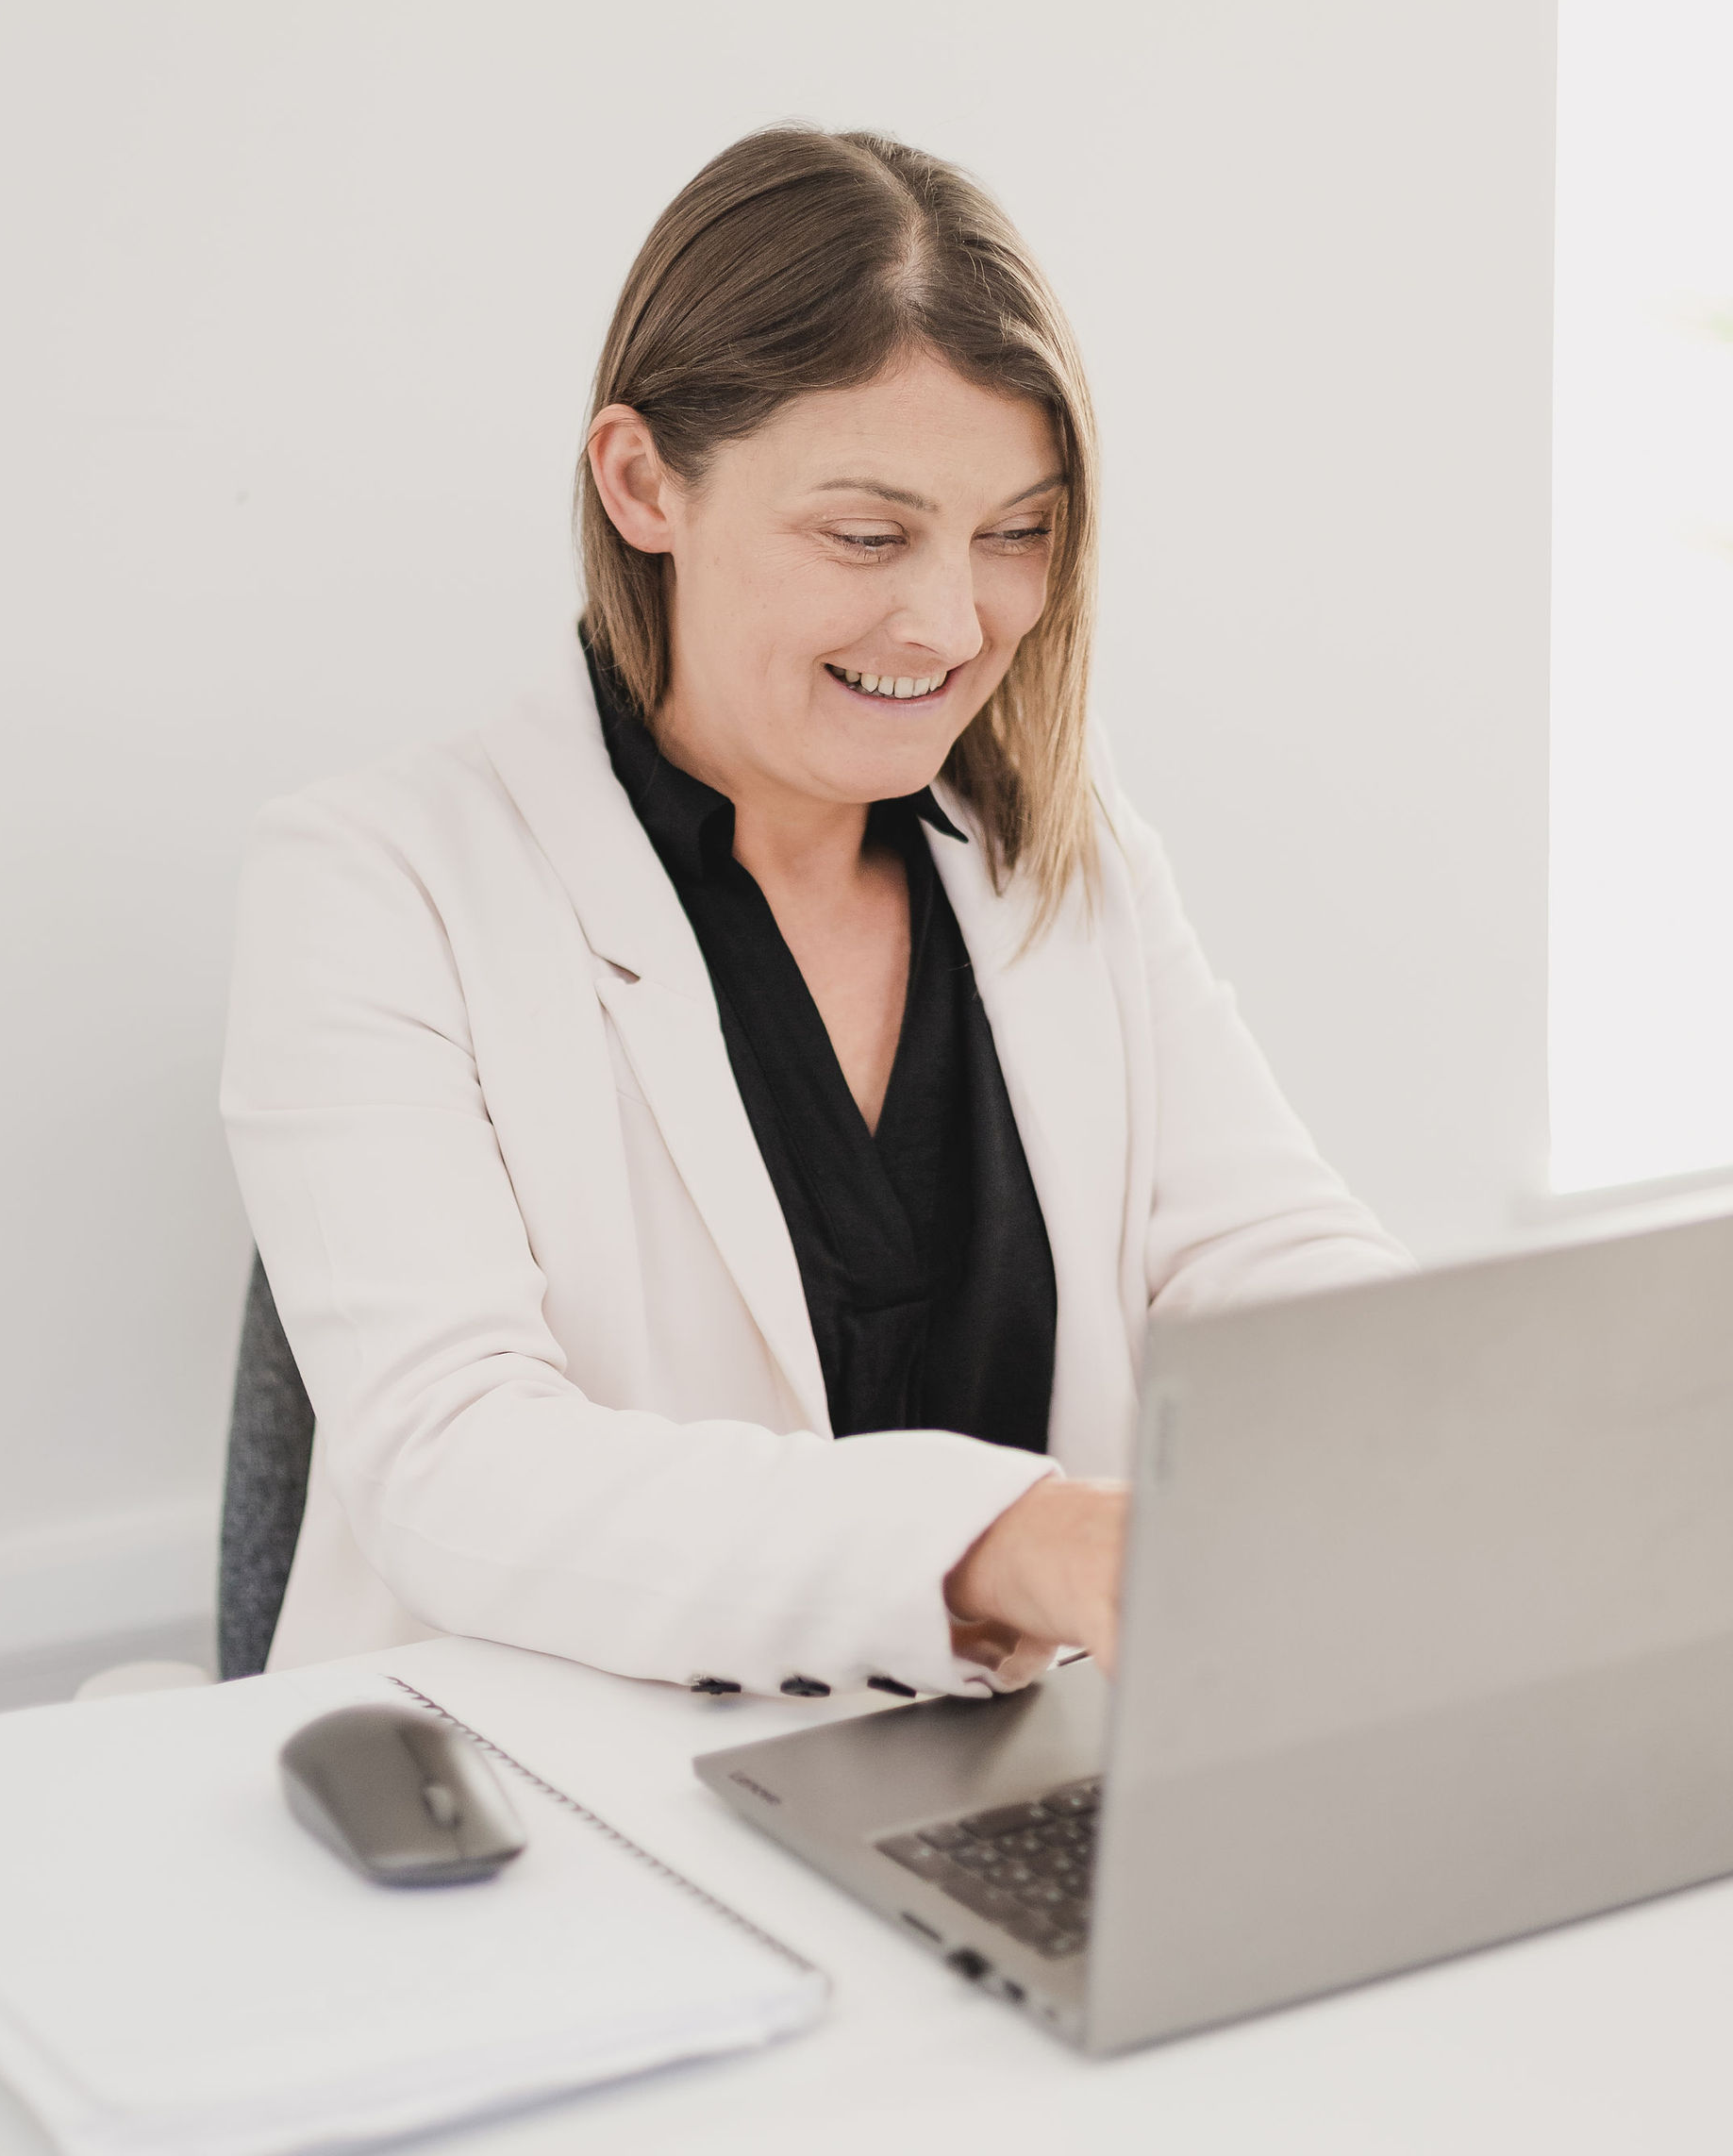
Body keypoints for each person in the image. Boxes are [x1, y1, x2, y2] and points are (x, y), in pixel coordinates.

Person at [222, 127, 1408, 1700]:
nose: (949, 620)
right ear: (644, 483)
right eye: (866, 535)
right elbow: (461, 1464)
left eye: (1016, 533)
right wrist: (1009, 1543)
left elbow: (1259, 1253)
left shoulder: (1059, 839)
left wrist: (1452, 1415)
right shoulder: (377, 881)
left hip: (1011, 1782)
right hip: (577, 1799)